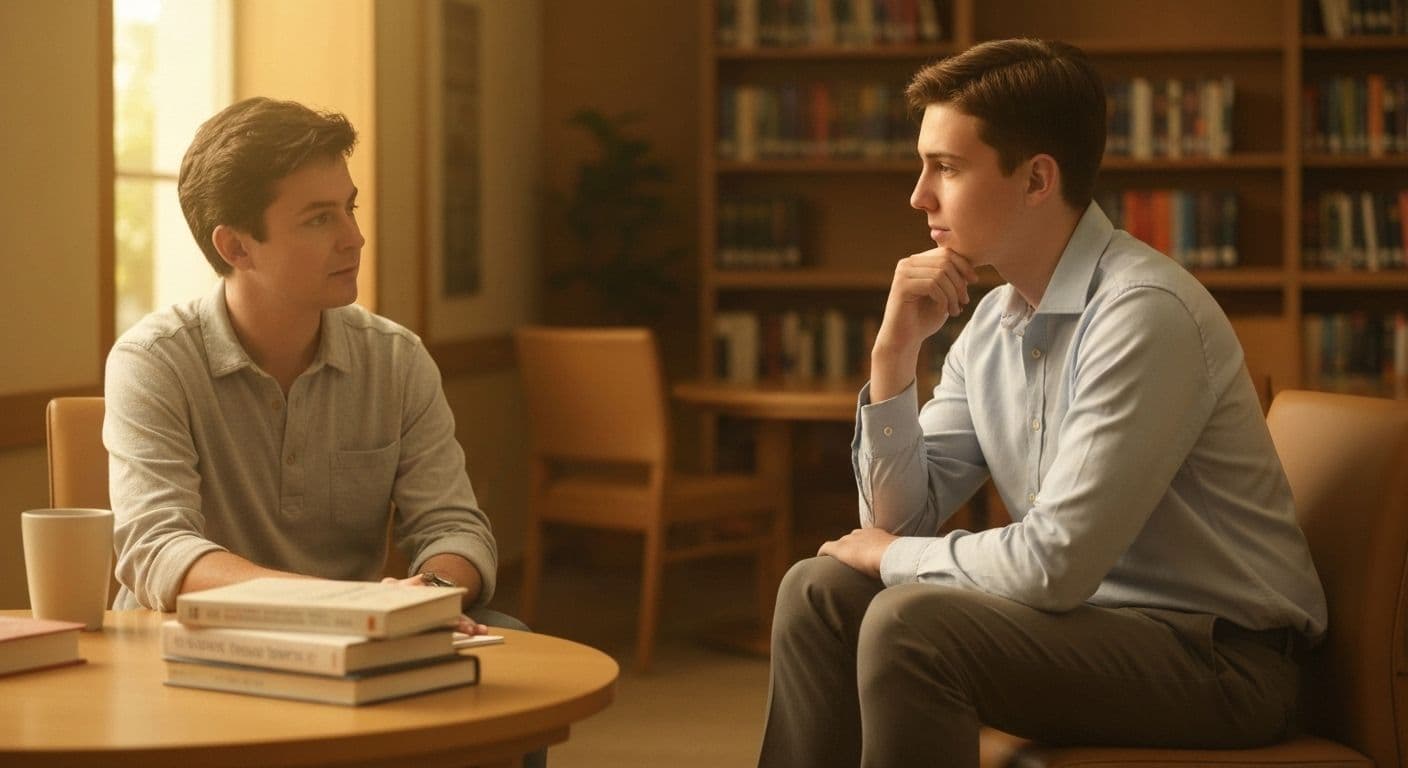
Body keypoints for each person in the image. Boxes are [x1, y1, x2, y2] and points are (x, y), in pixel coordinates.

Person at [758, 39, 1327, 768]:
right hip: (1085, 626)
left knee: (911, 624)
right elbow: (896, 521)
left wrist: (895, 555)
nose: (918, 195)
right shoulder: (992, 326)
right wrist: (894, 357)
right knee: (819, 591)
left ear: (1035, 180)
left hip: (1220, 661)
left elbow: (1050, 566)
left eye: (947, 167)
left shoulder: (1141, 315)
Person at [105, 97, 519, 637]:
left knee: (515, 647)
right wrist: (338, 603)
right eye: (320, 218)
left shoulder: (398, 360)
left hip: (353, 640)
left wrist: (430, 595)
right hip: (189, 645)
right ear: (235, 247)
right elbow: (158, 547)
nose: (354, 237)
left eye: (350, 208)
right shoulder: (152, 362)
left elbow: (453, 526)